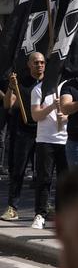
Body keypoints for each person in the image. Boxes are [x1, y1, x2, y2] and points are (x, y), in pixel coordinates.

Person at [2, 52, 43, 222]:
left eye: (41, 62)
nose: (39, 65)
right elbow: (8, 105)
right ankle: (13, 207)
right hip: (23, 132)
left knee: (43, 174)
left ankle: (42, 208)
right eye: (35, 62)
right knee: (17, 171)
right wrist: (11, 87)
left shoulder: (50, 84)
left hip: (43, 133)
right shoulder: (20, 83)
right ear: (28, 64)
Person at [29, 58, 69, 229]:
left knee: (64, 179)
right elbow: (35, 116)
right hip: (45, 140)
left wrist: (66, 116)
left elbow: (73, 111)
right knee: (44, 179)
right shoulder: (38, 90)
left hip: (65, 139)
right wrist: (52, 106)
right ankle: (40, 214)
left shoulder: (66, 88)